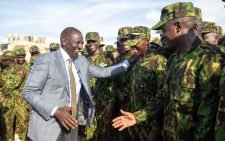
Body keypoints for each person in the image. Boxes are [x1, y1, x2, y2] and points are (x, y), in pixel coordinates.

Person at [113, 2, 223, 141]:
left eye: (164, 29)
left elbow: (211, 118)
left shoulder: (211, 59)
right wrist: (137, 116)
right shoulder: (174, 59)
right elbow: (162, 98)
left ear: (177, 26)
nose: (162, 35)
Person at [23, 27, 137, 141]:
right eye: (77, 42)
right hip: (49, 125)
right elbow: (29, 92)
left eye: (82, 43)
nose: (81, 46)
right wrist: (55, 111)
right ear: (65, 41)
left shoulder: (81, 60)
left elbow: (103, 72)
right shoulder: (45, 60)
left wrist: (129, 61)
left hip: (72, 123)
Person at [1, 51, 28, 141]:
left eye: (3, 60)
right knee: (7, 124)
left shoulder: (21, 70)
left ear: (8, 60)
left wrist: (1, 89)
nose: (2, 62)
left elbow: (11, 85)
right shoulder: (5, 70)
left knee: (22, 124)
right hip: (7, 101)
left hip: (19, 102)